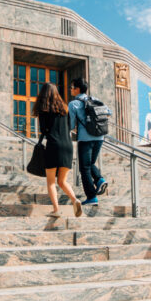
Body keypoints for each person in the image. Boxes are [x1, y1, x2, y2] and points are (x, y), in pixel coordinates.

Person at [34, 83, 82, 219]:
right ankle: (74, 200)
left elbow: (44, 130)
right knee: (62, 181)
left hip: (53, 145)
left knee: (51, 182)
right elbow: (69, 127)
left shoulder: (44, 109)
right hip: (68, 146)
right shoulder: (65, 109)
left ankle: (56, 210)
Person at [69, 77, 106, 205]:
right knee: (90, 163)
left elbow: (71, 124)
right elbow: (108, 112)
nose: (70, 89)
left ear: (77, 89)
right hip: (100, 137)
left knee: (84, 168)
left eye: (72, 87)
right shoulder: (95, 99)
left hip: (85, 139)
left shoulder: (73, 104)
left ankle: (91, 197)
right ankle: (99, 180)